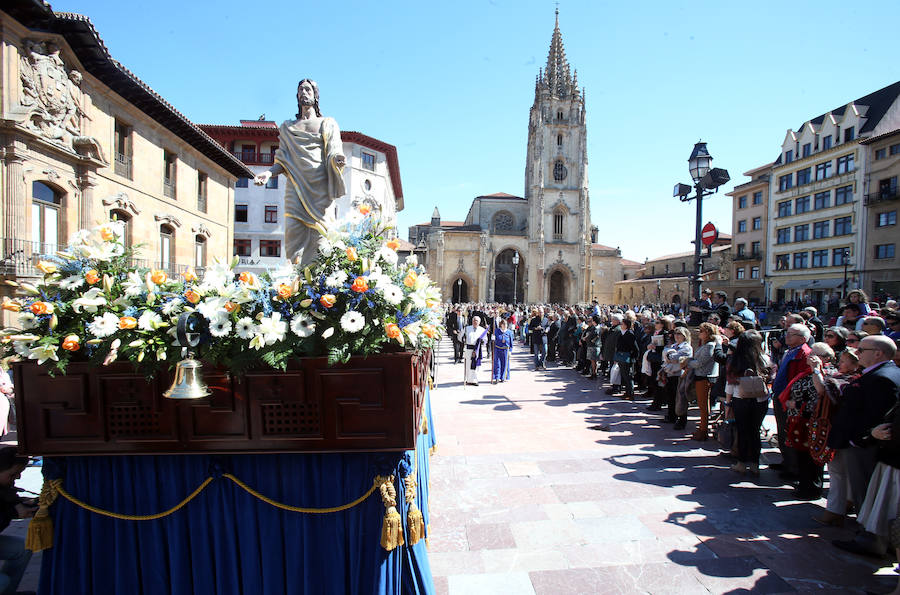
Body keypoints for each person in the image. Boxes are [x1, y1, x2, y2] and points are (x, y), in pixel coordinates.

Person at [254, 79, 346, 267]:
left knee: (321, 237)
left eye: (308, 89)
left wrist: (337, 159)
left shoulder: (327, 123)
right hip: (295, 186)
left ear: (315, 94)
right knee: (293, 234)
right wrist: (269, 173)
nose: (304, 92)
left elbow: (335, 149)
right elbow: (282, 159)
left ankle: (319, 284)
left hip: (320, 189)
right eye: (300, 90)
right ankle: (296, 284)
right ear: (297, 96)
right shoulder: (288, 127)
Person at [829, 335, 900, 557]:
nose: (856, 353)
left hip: (865, 445)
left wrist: (859, 439)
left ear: (878, 353)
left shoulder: (884, 378)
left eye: (861, 350)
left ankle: (869, 538)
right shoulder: (883, 373)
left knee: (865, 491)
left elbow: (876, 416)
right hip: (862, 441)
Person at [778, 342, 838, 499]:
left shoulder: (826, 373)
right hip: (799, 420)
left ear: (824, 358)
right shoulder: (807, 372)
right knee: (802, 456)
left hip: (811, 420)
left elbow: (822, 396)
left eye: (814, 354)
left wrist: (797, 404)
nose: (810, 357)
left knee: (812, 457)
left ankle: (811, 488)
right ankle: (804, 484)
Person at [811, 348, 861, 526]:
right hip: (849, 431)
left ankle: (834, 510)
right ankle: (846, 502)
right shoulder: (852, 379)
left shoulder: (845, 382)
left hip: (841, 429)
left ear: (855, 364)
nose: (840, 363)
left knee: (838, 472)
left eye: (844, 360)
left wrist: (816, 370)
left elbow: (822, 390)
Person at [726, 330, 772, 475]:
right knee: (755, 431)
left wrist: (728, 403)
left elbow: (730, 384)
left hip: (741, 398)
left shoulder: (735, 360)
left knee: (742, 430)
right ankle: (755, 464)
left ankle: (741, 462)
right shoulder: (764, 359)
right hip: (760, 400)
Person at [770, 323, 813, 477]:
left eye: (791, 334)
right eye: (787, 333)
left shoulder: (804, 354)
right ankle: (787, 462)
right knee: (782, 431)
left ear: (802, 338)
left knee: (789, 432)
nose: (786, 336)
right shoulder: (790, 351)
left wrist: (793, 399)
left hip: (789, 399)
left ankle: (793, 467)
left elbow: (802, 379)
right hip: (780, 395)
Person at [0, 446, 35, 595]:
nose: (18, 478)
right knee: (3, 581)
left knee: (22, 548)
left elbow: (8, 498)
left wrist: (22, 505)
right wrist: (13, 512)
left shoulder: (4, 488)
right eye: (13, 474)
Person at [684, 322, 720, 441]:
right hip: (701, 376)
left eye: (702, 331)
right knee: (702, 404)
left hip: (705, 376)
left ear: (708, 333)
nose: (699, 333)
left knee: (703, 405)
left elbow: (700, 362)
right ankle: (702, 427)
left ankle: (703, 430)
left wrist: (687, 362)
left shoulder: (710, 345)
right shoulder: (705, 345)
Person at [662, 327, 693, 424]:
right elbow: (666, 356)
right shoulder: (674, 346)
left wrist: (669, 355)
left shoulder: (686, 347)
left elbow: (677, 358)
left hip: (680, 375)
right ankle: (671, 416)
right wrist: (669, 356)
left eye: (679, 334)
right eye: (675, 333)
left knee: (680, 398)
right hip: (670, 373)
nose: (676, 336)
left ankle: (682, 419)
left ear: (684, 336)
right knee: (670, 397)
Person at [614, 318, 640, 400]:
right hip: (621, 357)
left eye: (622, 324)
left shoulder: (630, 334)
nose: (621, 325)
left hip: (627, 358)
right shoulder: (621, 333)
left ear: (626, 325)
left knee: (628, 376)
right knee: (624, 375)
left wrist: (632, 358)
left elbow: (635, 348)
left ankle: (630, 393)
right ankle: (627, 392)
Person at [463, 316, 489, 386]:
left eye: (477, 321)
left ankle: (475, 380)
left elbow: (485, 339)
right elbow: (461, 337)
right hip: (469, 349)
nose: (475, 322)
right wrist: (463, 339)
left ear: (479, 322)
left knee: (476, 365)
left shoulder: (482, 330)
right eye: (474, 320)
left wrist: (483, 342)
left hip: (477, 349)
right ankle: (468, 380)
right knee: (468, 364)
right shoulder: (467, 328)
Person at [492, 319, 514, 384]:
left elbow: (511, 343)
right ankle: (497, 377)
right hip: (498, 349)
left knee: (505, 364)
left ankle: (503, 377)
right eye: (503, 324)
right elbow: (493, 340)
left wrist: (510, 350)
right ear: (501, 325)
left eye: (506, 324)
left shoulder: (509, 332)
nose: (505, 326)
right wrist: (492, 338)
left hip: (505, 350)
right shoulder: (496, 331)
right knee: (497, 363)